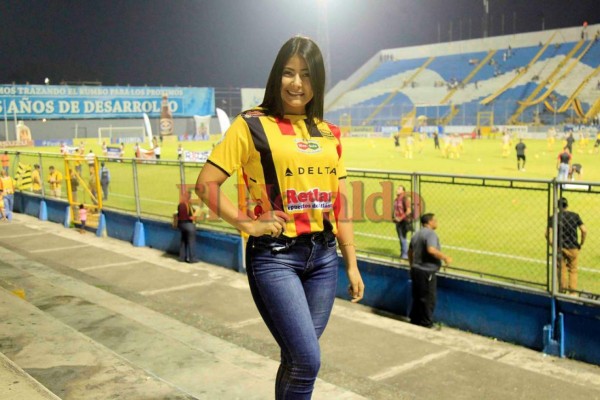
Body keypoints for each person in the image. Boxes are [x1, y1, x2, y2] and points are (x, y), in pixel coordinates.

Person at [195, 36, 364, 399]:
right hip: (275, 258)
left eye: (306, 74)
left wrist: (351, 262)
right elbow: (206, 184)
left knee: (297, 360)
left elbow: (340, 202)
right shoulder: (251, 124)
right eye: (288, 73)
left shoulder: (330, 133)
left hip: (322, 259)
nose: (297, 83)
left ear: (317, 81)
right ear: (276, 76)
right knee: (306, 360)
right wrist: (248, 224)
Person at [408, 213, 452, 329]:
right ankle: (426, 323)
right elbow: (431, 249)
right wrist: (445, 257)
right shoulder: (431, 234)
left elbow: (410, 251)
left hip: (416, 269)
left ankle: (415, 320)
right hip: (427, 271)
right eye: (434, 220)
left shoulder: (416, 234)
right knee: (428, 298)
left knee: (417, 296)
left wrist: (412, 265)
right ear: (429, 222)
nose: (436, 222)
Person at [545, 198, 587, 295]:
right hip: (573, 247)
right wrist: (581, 243)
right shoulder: (575, 216)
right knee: (573, 270)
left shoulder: (554, 217)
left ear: (558, 207)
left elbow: (547, 233)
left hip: (560, 247)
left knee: (561, 269)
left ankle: (562, 291)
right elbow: (584, 230)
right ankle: (573, 293)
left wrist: (552, 244)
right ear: (567, 205)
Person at [177, 190, 197, 263]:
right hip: (187, 224)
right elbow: (188, 216)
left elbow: (180, 215)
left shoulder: (182, 204)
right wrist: (192, 218)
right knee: (191, 241)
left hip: (181, 225)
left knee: (183, 240)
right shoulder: (186, 205)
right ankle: (192, 258)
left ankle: (181, 257)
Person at [393, 185, 412, 260]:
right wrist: (394, 218)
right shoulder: (396, 200)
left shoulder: (405, 199)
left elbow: (408, 210)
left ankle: (405, 256)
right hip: (398, 221)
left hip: (404, 221)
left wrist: (400, 218)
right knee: (401, 238)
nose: (397, 190)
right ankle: (403, 254)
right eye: (397, 188)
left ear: (403, 191)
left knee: (403, 238)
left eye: (399, 189)